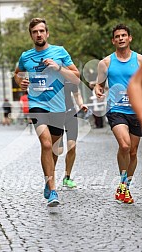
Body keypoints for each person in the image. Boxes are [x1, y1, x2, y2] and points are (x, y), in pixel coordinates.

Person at [14, 18, 80, 207]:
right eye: (35, 32)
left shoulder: (60, 52)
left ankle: (47, 179)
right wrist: (21, 83)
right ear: (31, 35)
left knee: (55, 149)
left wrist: (58, 67)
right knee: (45, 143)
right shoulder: (26, 56)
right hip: (37, 104)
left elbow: (76, 77)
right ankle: (53, 190)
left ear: (47, 33)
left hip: (58, 106)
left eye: (42, 31)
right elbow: (17, 74)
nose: (39, 34)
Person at [95, 24, 142, 204]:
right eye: (117, 36)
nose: (121, 38)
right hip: (116, 109)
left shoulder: (139, 60)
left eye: (124, 35)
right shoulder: (106, 62)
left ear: (130, 38)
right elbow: (99, 84)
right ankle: (123, 185)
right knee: (125, 145)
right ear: (113, 40)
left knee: (133, 151)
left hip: (136, 110)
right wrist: (98, 90)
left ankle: (124, 187)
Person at [59, 81, 88, 188]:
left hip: (70, 114)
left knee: (72, 147)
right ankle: (50, 177)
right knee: (57, 150)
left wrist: (81, 104)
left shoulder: (69, 78)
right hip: (55, 115)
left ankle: (67, 177)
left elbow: (77, 94)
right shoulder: (51, 76)